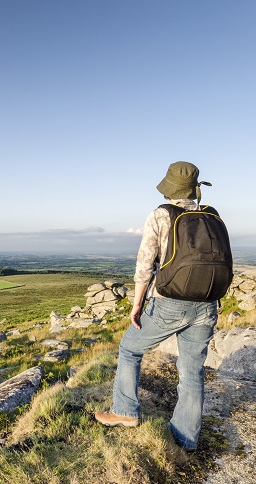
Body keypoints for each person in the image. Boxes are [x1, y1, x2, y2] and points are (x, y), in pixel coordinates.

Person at [94, 161, 225, 451]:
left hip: (169, 302)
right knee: (192, 372)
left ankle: (125, 411)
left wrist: (136, 304)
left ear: (169, 189)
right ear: (194, 189)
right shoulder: (211, 216)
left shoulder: (161, 215)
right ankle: (186, 439)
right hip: (207, 304)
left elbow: (145, 266)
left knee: (130, 349)